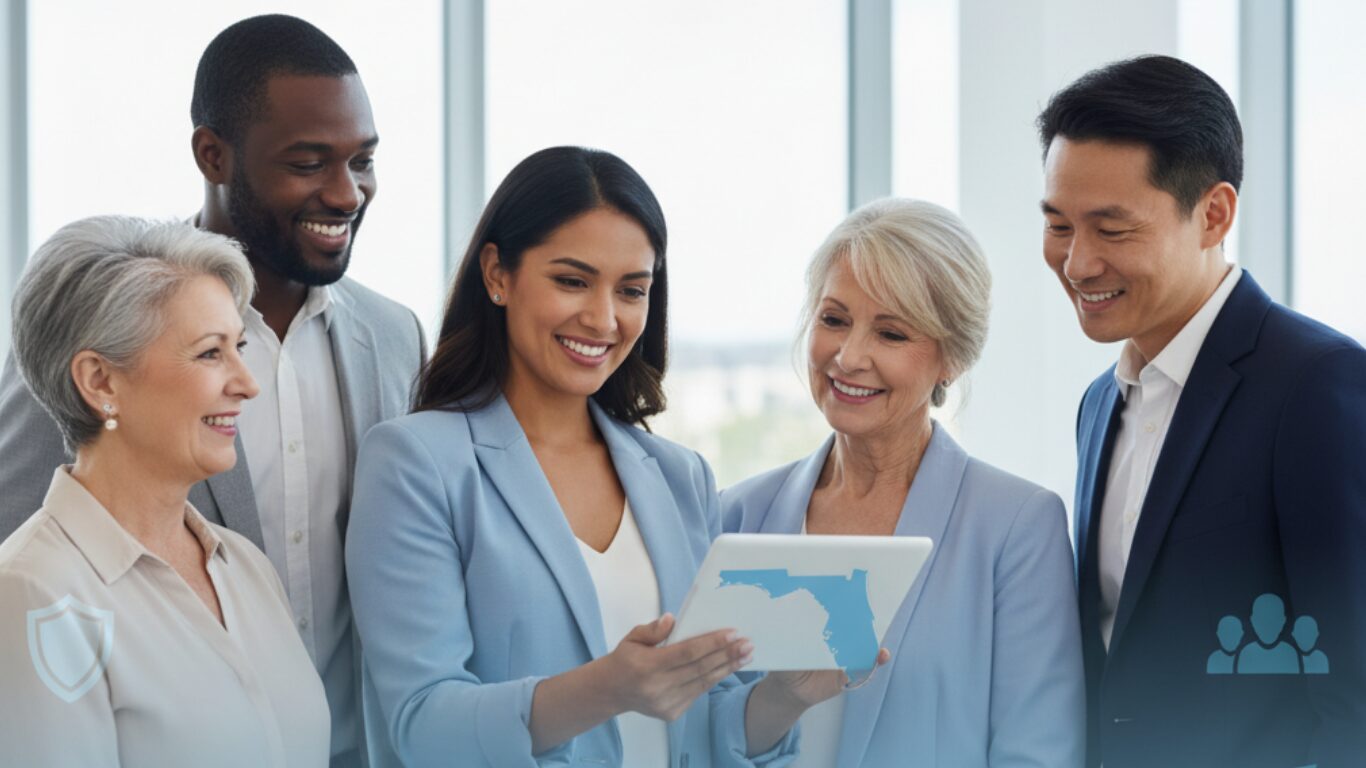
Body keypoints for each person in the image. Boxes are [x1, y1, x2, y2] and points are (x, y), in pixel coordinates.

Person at [0, 16, 425, 766]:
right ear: (213, 154)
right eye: (309, 161)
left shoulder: (393, 338)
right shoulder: (101, 325)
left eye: (362, 161)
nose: (346, 192)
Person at [346, 146, 857, 768]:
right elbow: (421, 726)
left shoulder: (679, 478)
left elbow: (704, 726)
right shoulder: (415, 464)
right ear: (497, 274)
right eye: (572, 280)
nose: (603, 318)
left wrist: (784, 699)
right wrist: (607, 687)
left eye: (632, 290)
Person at [1039, 54, 1366, 767]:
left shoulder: (1318, 386)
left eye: (1111, 229)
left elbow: (1355, 704)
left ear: (1213, 214)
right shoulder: (1100, 404)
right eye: (1059, 224)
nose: (1076, 262)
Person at [722, 198, 1085, 767]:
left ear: (952, 359)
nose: (848, 356)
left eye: (890, 334)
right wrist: (779, 700)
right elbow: (697, 739)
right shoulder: (736, 516)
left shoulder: (1017, 527)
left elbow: (1038, 753)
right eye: (834, 319)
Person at [0, 216, 329, 767]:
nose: (247, 383)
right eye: (209, 353)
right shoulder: (32, 593)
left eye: (239, 347)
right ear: (100, 381)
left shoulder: (245, 566)